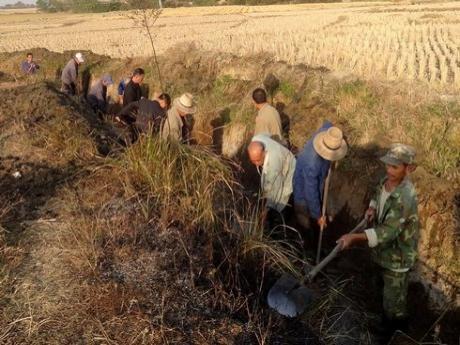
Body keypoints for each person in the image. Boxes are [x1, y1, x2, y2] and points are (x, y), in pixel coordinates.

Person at [337, 144, 418, 335]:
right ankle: (384, 322)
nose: (389, 170)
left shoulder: (405, 197)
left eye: (395, 167)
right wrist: (372, 207)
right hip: (382, 252)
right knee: (382, 292)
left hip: (397, 257)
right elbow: (376, 193)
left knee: (394, 303)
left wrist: (354, 237)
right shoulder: (386, 180)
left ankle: (396, 333)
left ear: (408, 168)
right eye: (388, 165)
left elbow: (387, 232)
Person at [293, 122, 347, 233]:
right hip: (302, 194)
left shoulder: (327, 132)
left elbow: (329, 124)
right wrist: (318, 216)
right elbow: (310, 192)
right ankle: (306, 242)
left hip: (315, 181)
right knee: (305, 226)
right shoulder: (312, 164)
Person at [248, 134, 296, 216]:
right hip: (279, 160)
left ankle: (284, 215)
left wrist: (267, 209)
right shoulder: (256, 139)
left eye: (258, 160)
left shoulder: (273, 164)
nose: (256, 164)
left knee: (281, 201)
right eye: (253, 160)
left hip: (290, 174)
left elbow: (275, 189)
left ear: (265, 152)